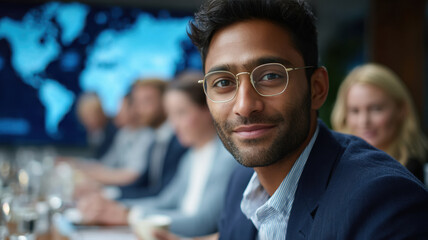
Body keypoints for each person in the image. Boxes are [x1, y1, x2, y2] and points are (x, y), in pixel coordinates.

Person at [154, 0, 427, 239]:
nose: (245, 106)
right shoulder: (241, 182)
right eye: (223, 82)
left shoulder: (382, 201)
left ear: (317, 88)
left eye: (271, 76)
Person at [77, 72, 238, 237]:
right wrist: (120, 208)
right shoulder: (191, 157)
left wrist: (131, 216)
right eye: (171, 115)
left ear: (208, 110)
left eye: (181, 113)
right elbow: (166, 201)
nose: (173, 124)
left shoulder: (226, 158)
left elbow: (202, 223)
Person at [331, 63, 428, 182]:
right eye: (355, 111)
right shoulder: (332, 167)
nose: (364, 121)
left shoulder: (411, 173)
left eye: (376, 108)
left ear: (401, 110)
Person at [76, 92, 117, 159]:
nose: (86, 122)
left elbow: (105, 162)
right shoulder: (94, 132)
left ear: (99, 112)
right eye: (84, 118)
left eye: (89, 117)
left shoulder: (113, 131)